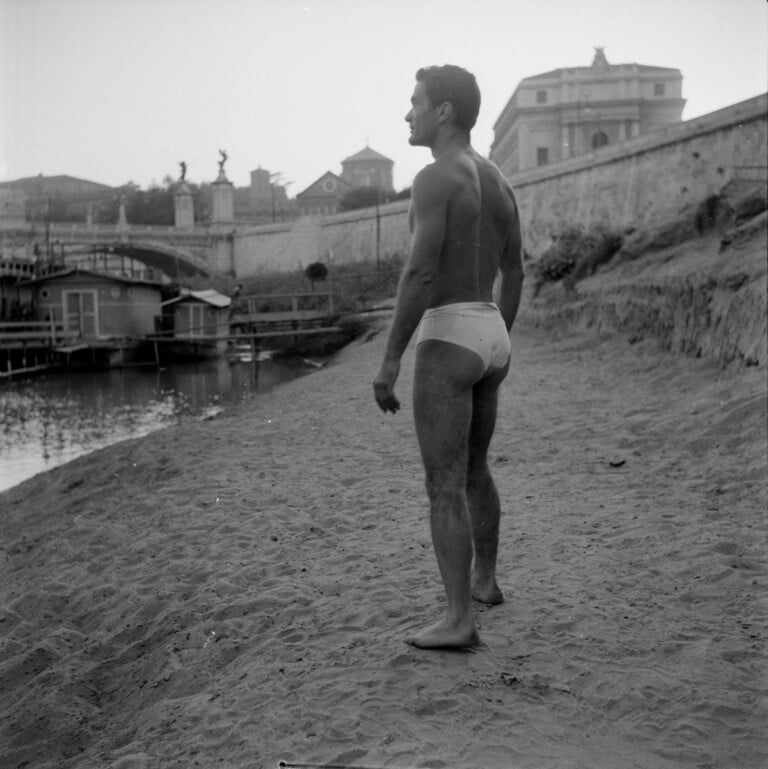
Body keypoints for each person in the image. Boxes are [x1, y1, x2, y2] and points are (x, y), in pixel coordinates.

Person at [373, 65, 524, 649]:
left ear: (444, 112)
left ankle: (458, 620)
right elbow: (514, 271)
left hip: (450, 329)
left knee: (443, 484)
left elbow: (421, 272)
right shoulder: (500, 183)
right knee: (474, 469)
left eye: (415, 102)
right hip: (489, 330)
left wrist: (390, 360)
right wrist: (497, 339)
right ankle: (485, 581)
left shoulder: (435, 178)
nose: (407, 113)